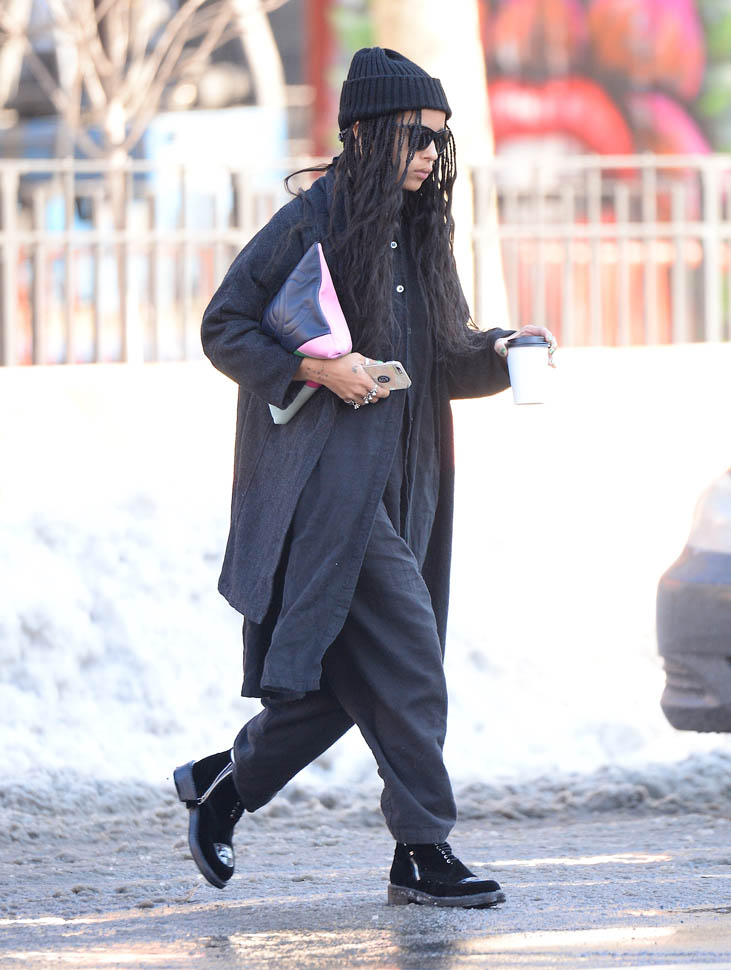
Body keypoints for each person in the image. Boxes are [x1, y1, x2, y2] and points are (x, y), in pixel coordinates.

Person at [174, 46, 556, 909]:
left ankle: (223, 785)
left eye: (438, 137)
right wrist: (319, 370)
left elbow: (441, 361)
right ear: (366, 132)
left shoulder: (418, 231)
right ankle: (422, 850)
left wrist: (502, 352)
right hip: (328, 487)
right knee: (410, 661)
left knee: (357, 681)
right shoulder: (312, 220)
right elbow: (225, 325)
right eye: (416, 134)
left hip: (407, 481)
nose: (429, 151)